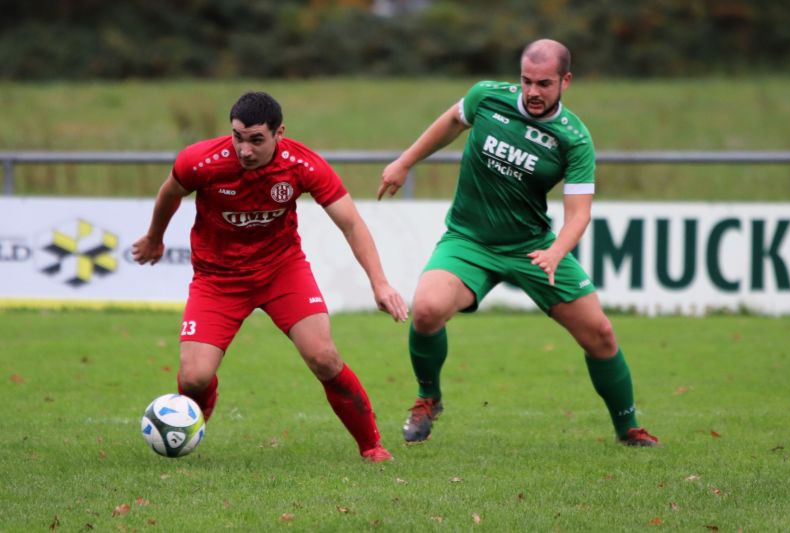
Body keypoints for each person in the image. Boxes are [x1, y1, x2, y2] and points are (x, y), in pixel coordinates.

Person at [377, 39, 660, 447]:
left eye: (544, 83)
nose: (532, 92)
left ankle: (627, 428)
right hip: (469, 240)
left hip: (533, 248)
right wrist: (405, 162)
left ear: (565, 81)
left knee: (600, 333)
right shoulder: (487, 97)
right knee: (426, 310)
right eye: (526, 81)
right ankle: (428, 399)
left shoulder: (574, 139)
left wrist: (556, 252)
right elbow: (452, 120)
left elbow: (579, 214)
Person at [133, 91, 408, 462]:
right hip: (218, 279)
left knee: (324, 357)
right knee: (195, 376)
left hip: (282, 271)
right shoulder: (201, 161)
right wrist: (154, 238)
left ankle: (371, 446)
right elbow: (170, 193)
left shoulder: (303, 165)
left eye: (256, 140)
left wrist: (380, 283)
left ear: (280, 133)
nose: (245, 150)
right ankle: (197, 414)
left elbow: (351, 224)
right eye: (238, 137)